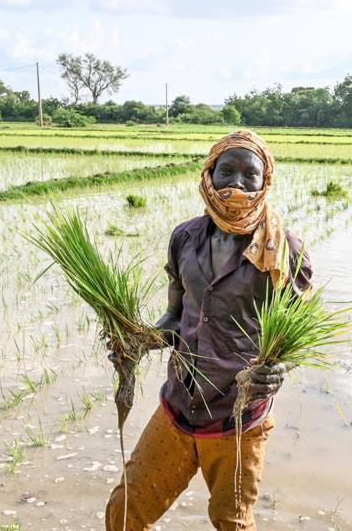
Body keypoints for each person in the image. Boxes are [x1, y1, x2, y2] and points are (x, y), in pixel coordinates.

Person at [105, 129, 313, 531]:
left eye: (248, 174)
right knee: (125, 511)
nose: (235, 183)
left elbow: (293, 341)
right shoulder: (186, 238)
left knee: (231, 522)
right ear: (209, 175)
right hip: (178, 407)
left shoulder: (284, 250)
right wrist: (137, 340)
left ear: (264, 180)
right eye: (226, 171)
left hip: (237, 419)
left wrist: (277, 371)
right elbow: (175, 319)